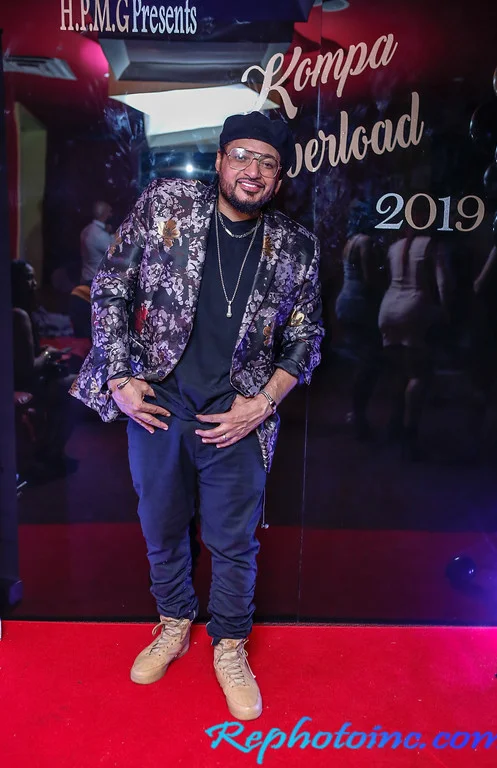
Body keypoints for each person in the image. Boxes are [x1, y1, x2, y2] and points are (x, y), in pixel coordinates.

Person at [70, 112, 324, 720]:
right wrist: (119, 377)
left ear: (279, 178)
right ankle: (173, 623)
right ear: (219, 161)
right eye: (242, 156)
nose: (253, 171)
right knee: (161, 525)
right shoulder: (168, 205)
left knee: (233, 541)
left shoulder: (295, 246)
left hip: (237, 412)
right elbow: (111, 286)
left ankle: (230, 646)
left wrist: (263, 403)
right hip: (161, 402)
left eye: (268, 163)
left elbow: (307, 337)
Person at [378, 229, 450, 459]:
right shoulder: (432, 245)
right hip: (415, 308)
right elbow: (442, 283)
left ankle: (394, 425)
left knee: (398, 373)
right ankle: (410, 435)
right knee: (418, 375)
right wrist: (446, 312)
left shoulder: (394, 246)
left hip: (388, 308)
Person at [11, 260, 78, 480]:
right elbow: (28, 368)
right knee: (78, 387)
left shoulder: (21, 312)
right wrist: (48, 355)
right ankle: (50, 452)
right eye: (28, 278)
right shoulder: (18, 315)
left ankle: (48, 449)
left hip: (22, 380)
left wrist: (42, 351)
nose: (34, 283)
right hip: (24, 383)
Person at [335, 203, 385, 438]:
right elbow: (369, 277)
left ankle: (356, 412)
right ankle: (357, 414)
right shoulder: (365, 242)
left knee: (362, 359)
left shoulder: (351, 241)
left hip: (347, 300)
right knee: (368, 361)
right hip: (359, 303)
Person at [79, 201, 114, 285]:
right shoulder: (100, 235)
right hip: (96, 282)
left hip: (86, 277)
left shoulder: (86, 230)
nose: (111, 215)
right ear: (104, 214)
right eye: (109, 212)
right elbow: (116, 253)